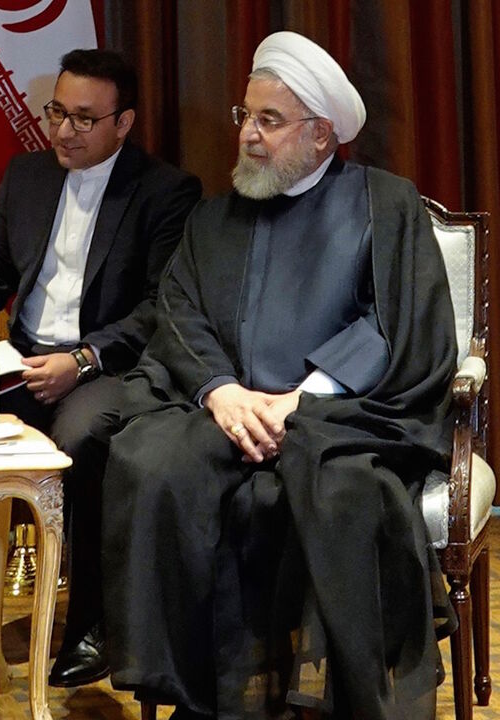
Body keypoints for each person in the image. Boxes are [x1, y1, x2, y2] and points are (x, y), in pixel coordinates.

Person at [100, 32, 456, 719]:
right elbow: (178, 311)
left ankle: (338, 700)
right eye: (246, 116)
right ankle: (191, 693)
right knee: (149, 464)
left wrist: (302, 399)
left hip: (335, 415)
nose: (248, 135)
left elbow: (396, 323)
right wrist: (222, 391)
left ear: (321, 135)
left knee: (345, 491)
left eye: (269, 120)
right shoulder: (214, 216)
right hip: (226, 409)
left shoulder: (384, 204)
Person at [0, 48, 201, 699]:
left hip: (104, 367)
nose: (64, 130)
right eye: (58, 112)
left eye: (85, 119)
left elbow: (160, 307)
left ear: (123, 122)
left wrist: (82, 359)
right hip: (21, 361)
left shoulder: (166, 191)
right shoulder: (25, 176)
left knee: (83, 441)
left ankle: (90, 626)